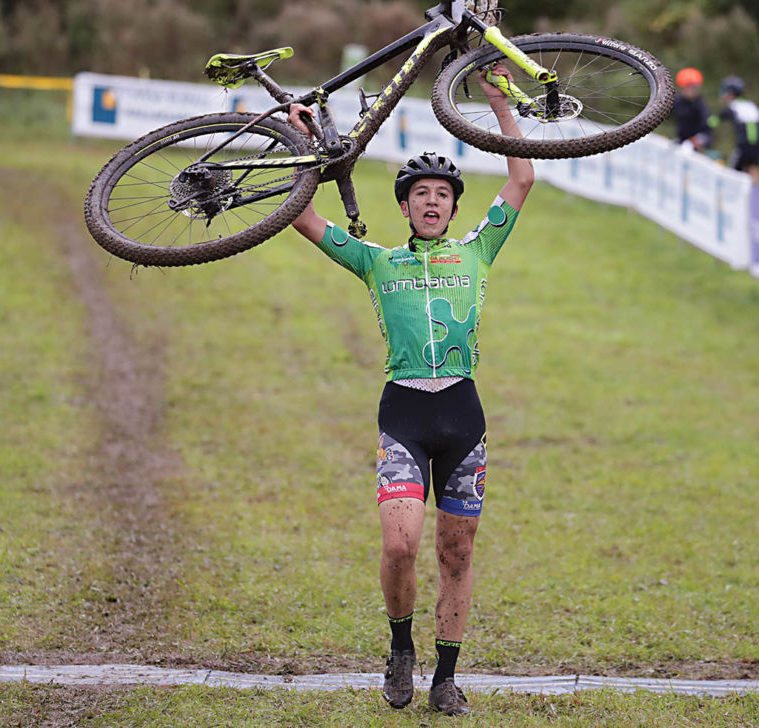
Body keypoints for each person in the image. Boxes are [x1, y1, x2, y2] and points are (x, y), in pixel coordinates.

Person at [286, 64, 534, 715]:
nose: (431, 201)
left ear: (454, 207)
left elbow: (522, 178)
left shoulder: (478, 252)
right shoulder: (377, 261)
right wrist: (301, 147)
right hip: (403, 411)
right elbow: (301, 216)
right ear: (404, 206)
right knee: (400, 544)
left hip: (463, 414)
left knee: (457, 552)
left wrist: (500, 102)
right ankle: (401, 648)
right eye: (420, 193)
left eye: (442, 194)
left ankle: (446, 678)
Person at [709, 75, 759, 182]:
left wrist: (705, 123)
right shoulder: (751, 105)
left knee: (732, 174)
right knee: (751, 169)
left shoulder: (734, 106)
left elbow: (713, 121)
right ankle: (754, 194)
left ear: (730, 94)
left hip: (744, 145)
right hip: (757, 145)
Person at [672, 67, 713, 152]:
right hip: (682, 138)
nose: (691, 90)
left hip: (698, 138)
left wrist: (697, 141)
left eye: (693, 87)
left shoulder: (700, 104)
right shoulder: (678, 101)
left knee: (687, 147)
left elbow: (707, 129)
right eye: (688, 87)